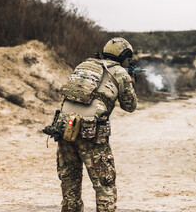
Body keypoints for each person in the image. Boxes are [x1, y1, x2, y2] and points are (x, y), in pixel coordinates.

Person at [56, 37, 138, 212]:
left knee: (70, 184)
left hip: (65, 127)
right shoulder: (120, 73)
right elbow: (130, 106)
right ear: (123, 56)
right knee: (104, 185)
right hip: (91, 132)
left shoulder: (85, 65)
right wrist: (130, 80)